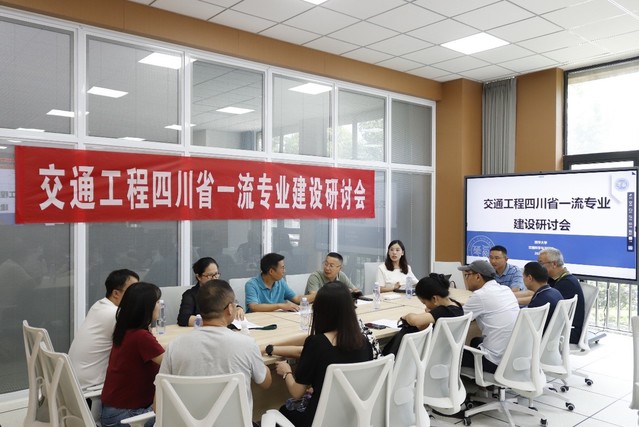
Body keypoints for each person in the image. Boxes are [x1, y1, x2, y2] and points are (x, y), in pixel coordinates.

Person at [160, 279, 271, 420]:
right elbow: (265, 383)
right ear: (230, 309)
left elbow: (159, 405)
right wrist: (257, 359)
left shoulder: (174, 346)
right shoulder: (247, 344)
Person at [275, 282, 374, 426]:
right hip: (353, 418)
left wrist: (287, 372)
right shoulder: (364, 343)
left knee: (283, 410)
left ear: (321, 311)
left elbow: (296, 392)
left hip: (319, 420)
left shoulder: (316, 343)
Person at [100, 282, 164, 427]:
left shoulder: (125, 330)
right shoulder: (141, 337)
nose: (159, 305)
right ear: (146, 307)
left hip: (112, 412)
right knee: (180, 412)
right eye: (157, 302)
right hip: (127, 416)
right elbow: (171, 362)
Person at [69, 269, 139, 391]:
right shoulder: (114, 314)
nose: (137, 295)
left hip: (73, 380)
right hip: (91, 387)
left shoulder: (99, 305)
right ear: (116, 293)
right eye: (133, 291)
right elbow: (140, 344)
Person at [459, 260, 519, 374]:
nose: (466, 279)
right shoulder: (506, 289)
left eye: (467, 275)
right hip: (512, 357)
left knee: (451, 353)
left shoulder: (480, 295)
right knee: (475, 341)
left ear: (478, 277)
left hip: (495, 362)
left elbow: (456, 318)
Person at [177, 257, 244, 326]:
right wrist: (211, 322)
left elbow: (231, 302)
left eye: (216, 274)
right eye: (210, 276)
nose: (214, 278)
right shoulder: (190, 295)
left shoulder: (221, 290)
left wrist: (238, 308)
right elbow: (184, 319)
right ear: (199, 277)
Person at [538, 247, 585, 344]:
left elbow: (541, 299)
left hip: (569, 333)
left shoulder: (566, 283)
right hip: (561, 328)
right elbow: (536, 293)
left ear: (554, 264)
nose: (539, 267)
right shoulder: (553, 279)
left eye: (541, 263)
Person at [400, 273, 464, 330]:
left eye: (424, 303)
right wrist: (432, 312)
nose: (426, 306)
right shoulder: (456, 305)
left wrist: (406, 317)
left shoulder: (442, 311)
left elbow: (414, 320)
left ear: (434, 299)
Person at [523, 261, 564, 332]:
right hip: (555, 335)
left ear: (529, 278)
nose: (523, 279)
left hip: (540, 337)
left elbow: (527, 329)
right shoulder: (555, 292)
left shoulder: (539, 300)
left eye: (523, 276)